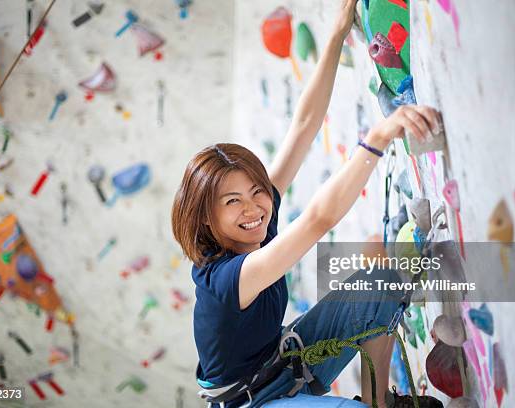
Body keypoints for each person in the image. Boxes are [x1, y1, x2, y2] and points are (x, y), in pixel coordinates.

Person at [171, 1, 441, 406]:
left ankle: (377, 400)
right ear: (207, 219)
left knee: (381, 283)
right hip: (252, 401)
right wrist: (379, 137)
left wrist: (334, 36)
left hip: (281, 362)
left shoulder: (255, 218)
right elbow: (318, 219)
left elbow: (302, 127)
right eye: (232, 201)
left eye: (256, 191)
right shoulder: (228, 279)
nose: (253, 208)